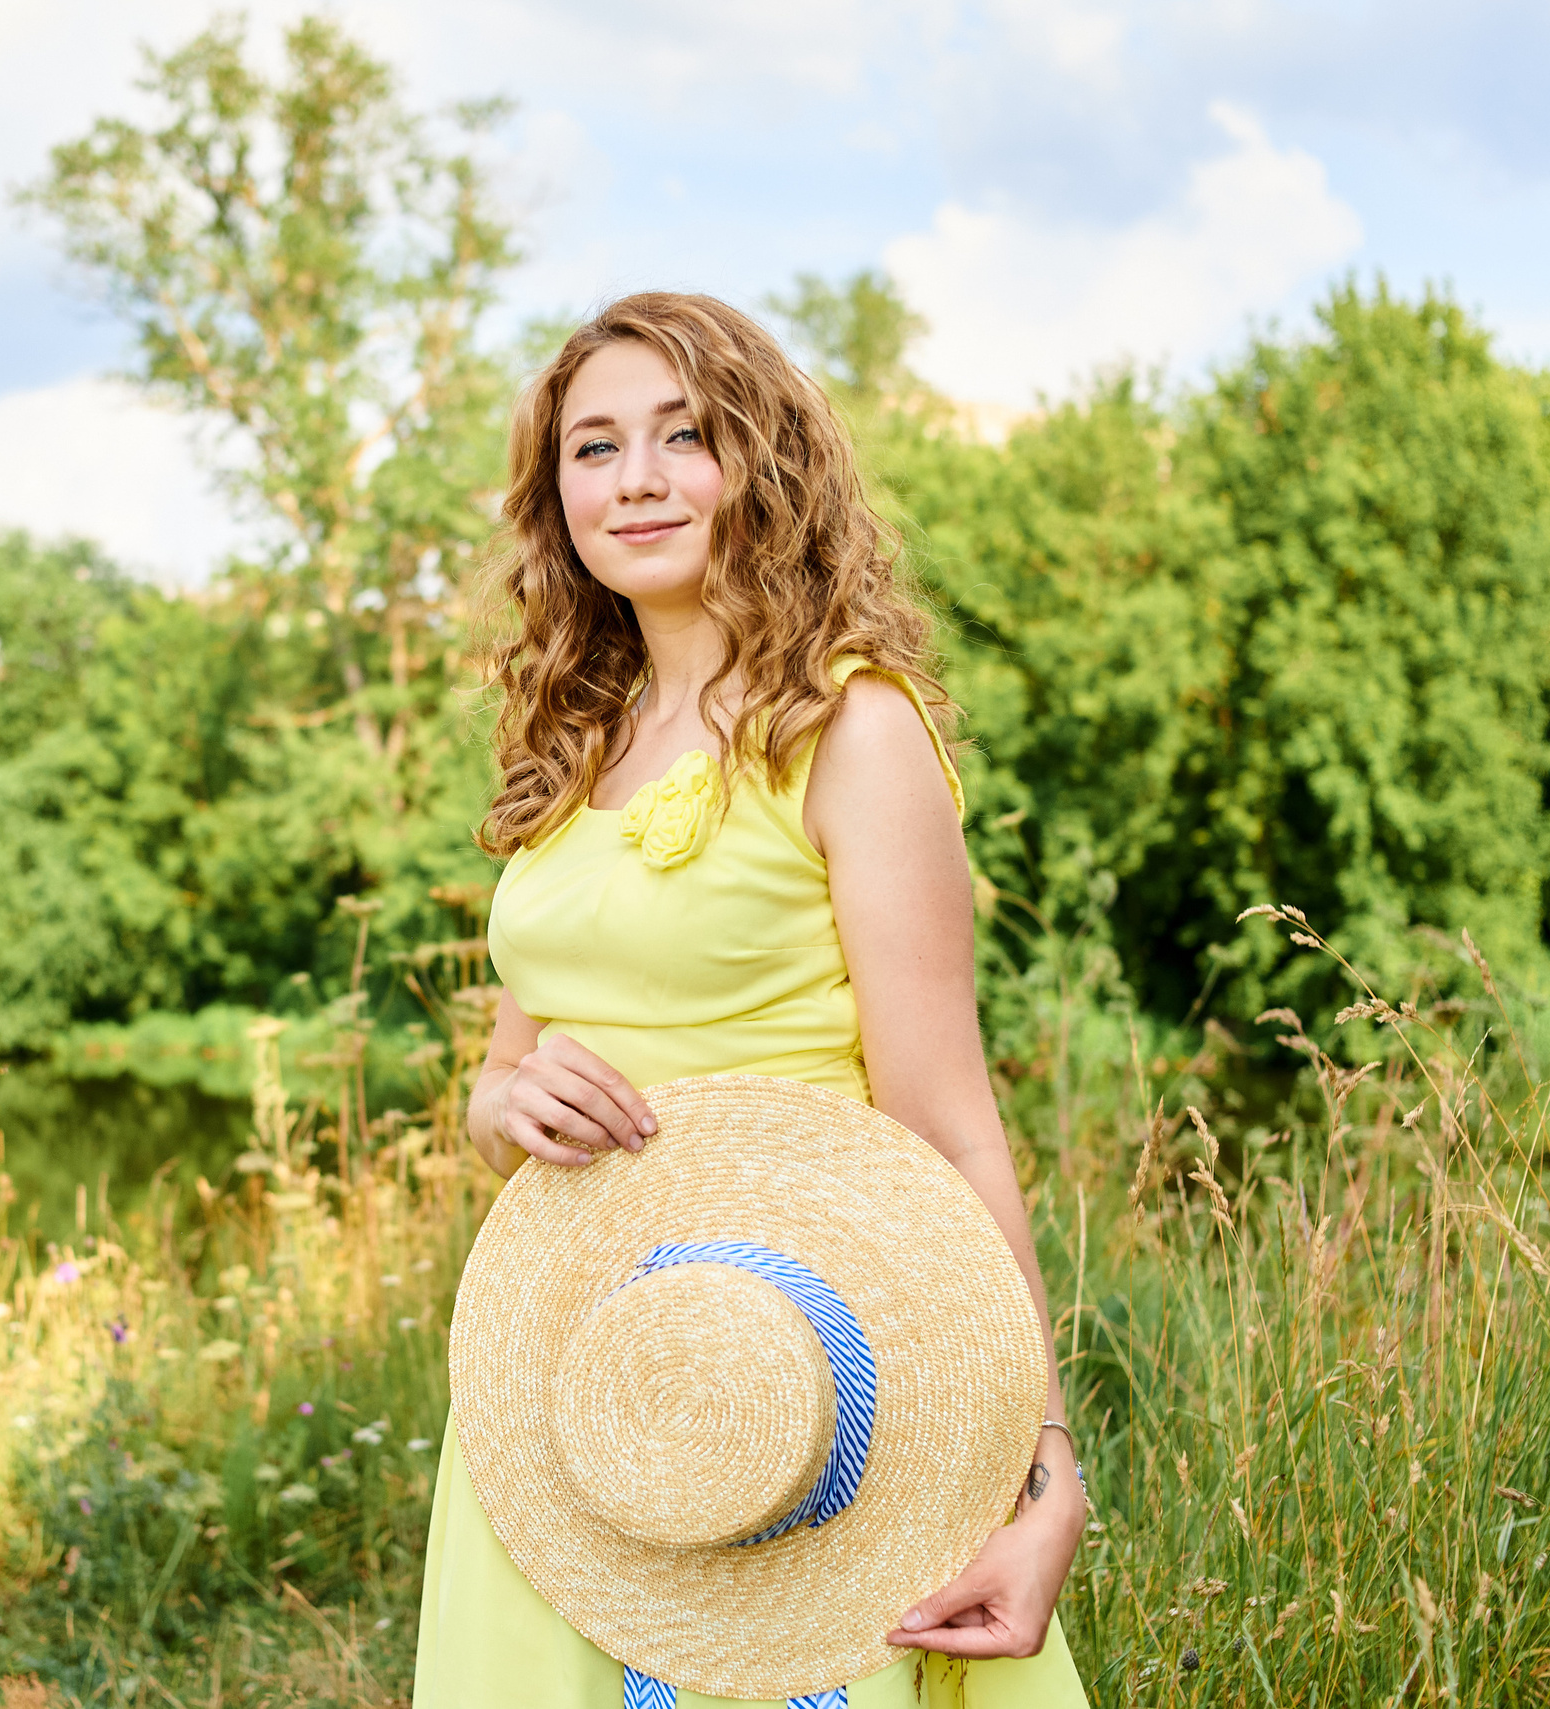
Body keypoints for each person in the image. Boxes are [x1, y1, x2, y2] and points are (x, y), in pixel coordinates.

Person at [413, 292, 1090, 1708]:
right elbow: (504, 1080)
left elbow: (951, 1128)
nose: (637, 477)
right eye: (594, 448)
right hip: (582, 1379)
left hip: (816, 1376)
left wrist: (1042, 1472)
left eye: (683, 434)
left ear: (763, 466)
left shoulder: (852, 725)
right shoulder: (568, 742)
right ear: (557, 498)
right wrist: (500, 1100)